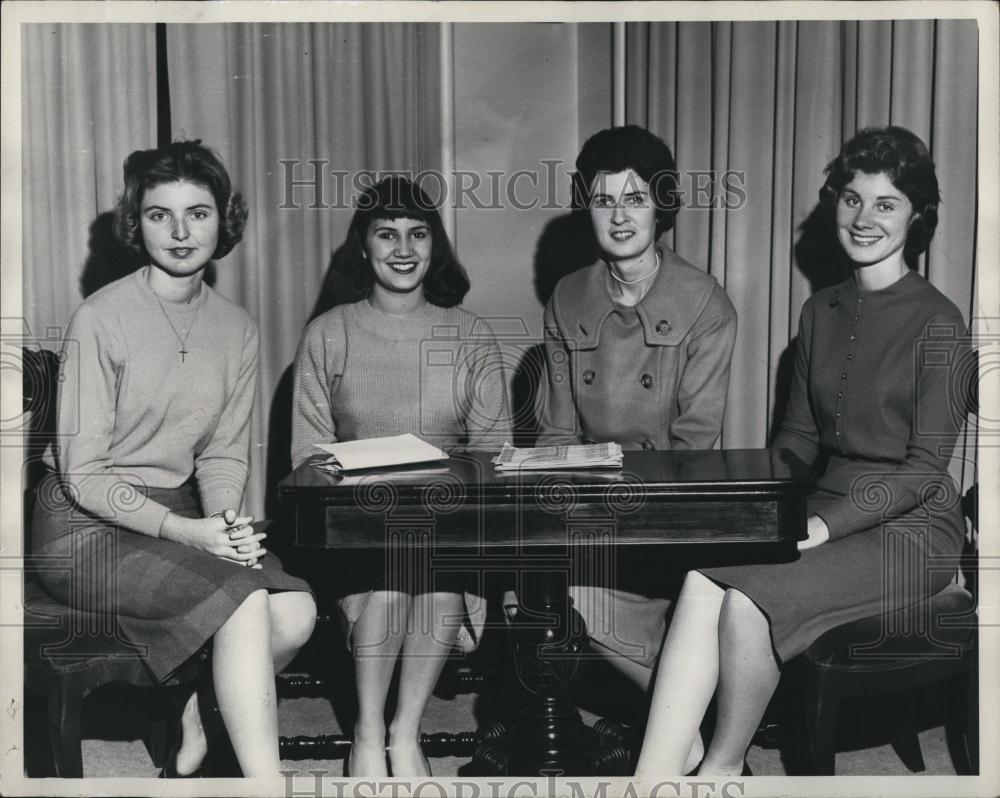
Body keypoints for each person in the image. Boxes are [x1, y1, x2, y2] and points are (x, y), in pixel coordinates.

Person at [633, 125, 970, 779]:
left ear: (918, 215)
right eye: (850, 199)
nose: (862, 218)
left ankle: (722, 770)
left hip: (913, 529)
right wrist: (748, 502)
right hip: (825, 507)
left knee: (747, 600)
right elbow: (796, 441)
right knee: (703, 578)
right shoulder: (820, 311)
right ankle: (653, 776)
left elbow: (925, 471)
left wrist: (823, 524)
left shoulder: (939, 321)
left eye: (885, 203)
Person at [31, 140, 317, 779]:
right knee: (243, 601)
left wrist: (225, 523)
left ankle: (195, 706)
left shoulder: (237, 328)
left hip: (181, 511)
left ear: (225, 220)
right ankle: (266, 787)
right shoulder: (100, 317)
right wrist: (192, 533)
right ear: (137, 223)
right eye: (161, 215)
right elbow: (83, 474)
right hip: (79, 525)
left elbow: (221, 453)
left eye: (199, 212)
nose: (182, 232)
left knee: (295, 612)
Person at [290, 176, 512, 777]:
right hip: (358, 532)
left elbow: (495, 457)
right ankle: (366, 731)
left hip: (451, 527)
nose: (403, 249)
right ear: (362, 246)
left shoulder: (471, 336)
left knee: (434, 581)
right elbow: (308, 462)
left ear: (435, 247)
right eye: (386, 234)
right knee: (391, 583)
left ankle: (403, 732)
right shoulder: (328, 333)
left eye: (418, 234)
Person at [526, 125, 737, 752]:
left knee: (571, 591)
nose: (619, 215)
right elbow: (557, 432)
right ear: (585, 206)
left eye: (636, 198)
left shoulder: (704, 302)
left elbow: (695, 443)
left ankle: (677, 721)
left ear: (661, 206)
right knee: (530, 580)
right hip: (586, 502)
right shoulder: (568, 296)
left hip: (670, 509)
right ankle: (678, 721)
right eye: (603, 198)